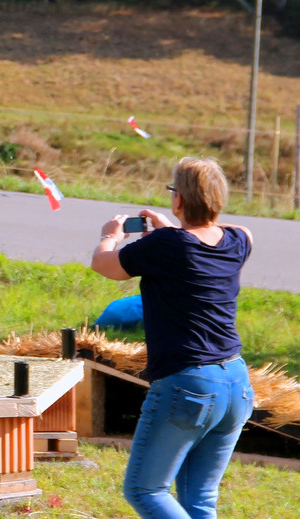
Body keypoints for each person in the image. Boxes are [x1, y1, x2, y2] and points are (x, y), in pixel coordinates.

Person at [91, 157, 254, 519]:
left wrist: (110, 236)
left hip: (189, 383)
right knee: (200, 499)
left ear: (178, 199)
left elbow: (104, 265)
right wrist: (175, 226)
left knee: (145, 490)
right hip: (236, 382)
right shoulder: (240, 239)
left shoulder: (167, 245)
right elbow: (208, 236)